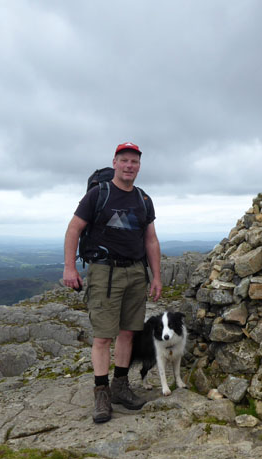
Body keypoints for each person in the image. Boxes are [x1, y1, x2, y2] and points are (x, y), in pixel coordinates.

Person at [62, 142, 163, 424]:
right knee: (103, 337)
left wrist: (156, 276)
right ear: (115, 163)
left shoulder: (143, 199)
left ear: (139, 166)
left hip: (135, 272)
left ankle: (120, 386)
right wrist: (70, 267)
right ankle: (101, 393)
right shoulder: (99, 194)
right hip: (105, 272)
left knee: (128, 332)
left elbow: (150, 239)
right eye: (125, 161)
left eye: (134, 161)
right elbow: (74, 229)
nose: (130, 166)